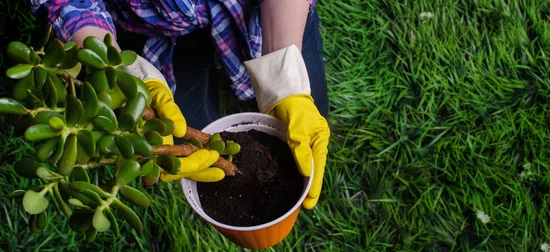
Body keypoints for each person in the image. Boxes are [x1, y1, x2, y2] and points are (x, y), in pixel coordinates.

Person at [29, 0, 330, 209]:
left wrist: (283, 77)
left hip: (262, 13)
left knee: (304, 120)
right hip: (152, 26)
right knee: (188, 151)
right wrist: (120, 76)